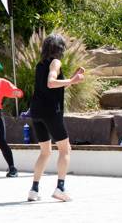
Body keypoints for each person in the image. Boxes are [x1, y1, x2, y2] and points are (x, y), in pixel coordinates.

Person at [28, 34, 84, 202]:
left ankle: (34, 189)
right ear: (59, 48)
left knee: (45, 152)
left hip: (36, 112)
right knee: (65, 149)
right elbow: (51, 83)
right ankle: (60, 188)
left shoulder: (40, 64)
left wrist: (71, 80)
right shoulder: (55, 62)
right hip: (51, 112)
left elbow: (50, 87)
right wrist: (73, 80)